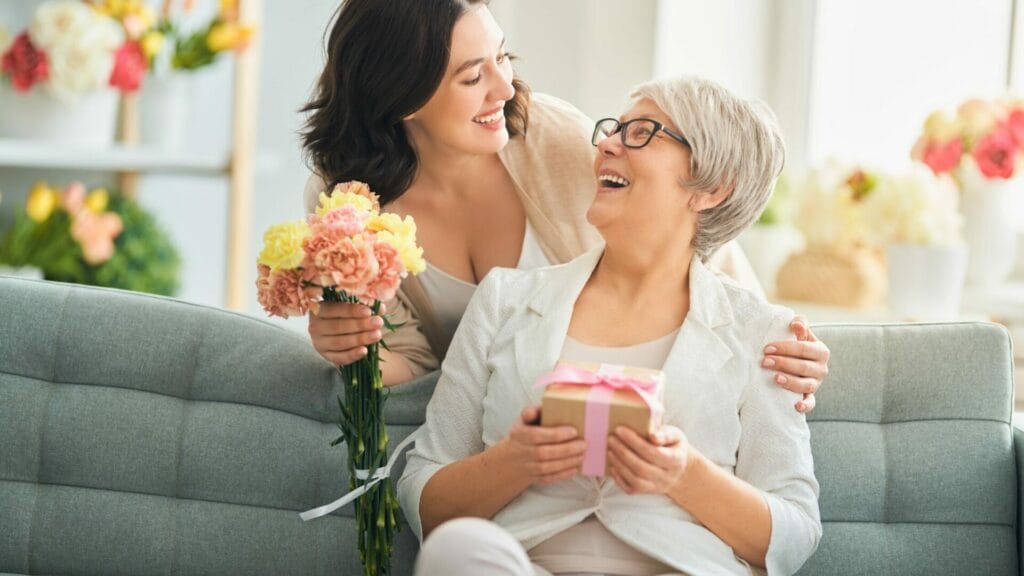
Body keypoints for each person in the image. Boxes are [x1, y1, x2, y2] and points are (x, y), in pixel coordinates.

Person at [300, 0, 829, 412]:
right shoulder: (347, 205)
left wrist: (776, 344)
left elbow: (690, 238)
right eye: (472, 76)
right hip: (501, 425)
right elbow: (414, 366)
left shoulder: (553, 138)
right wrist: (352, 344)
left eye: (502, 57)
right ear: (402, 96)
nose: (504, 87)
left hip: (623, 402)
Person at [397, 75, 821, 576]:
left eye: (642, 132)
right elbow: (423, 493)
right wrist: (517, 460)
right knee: (458, 551)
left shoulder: (763, 332)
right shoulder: (504, 300)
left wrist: (685, 475)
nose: (607, 144)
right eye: (612, 129)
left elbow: (795, 533)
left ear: (713, 187)